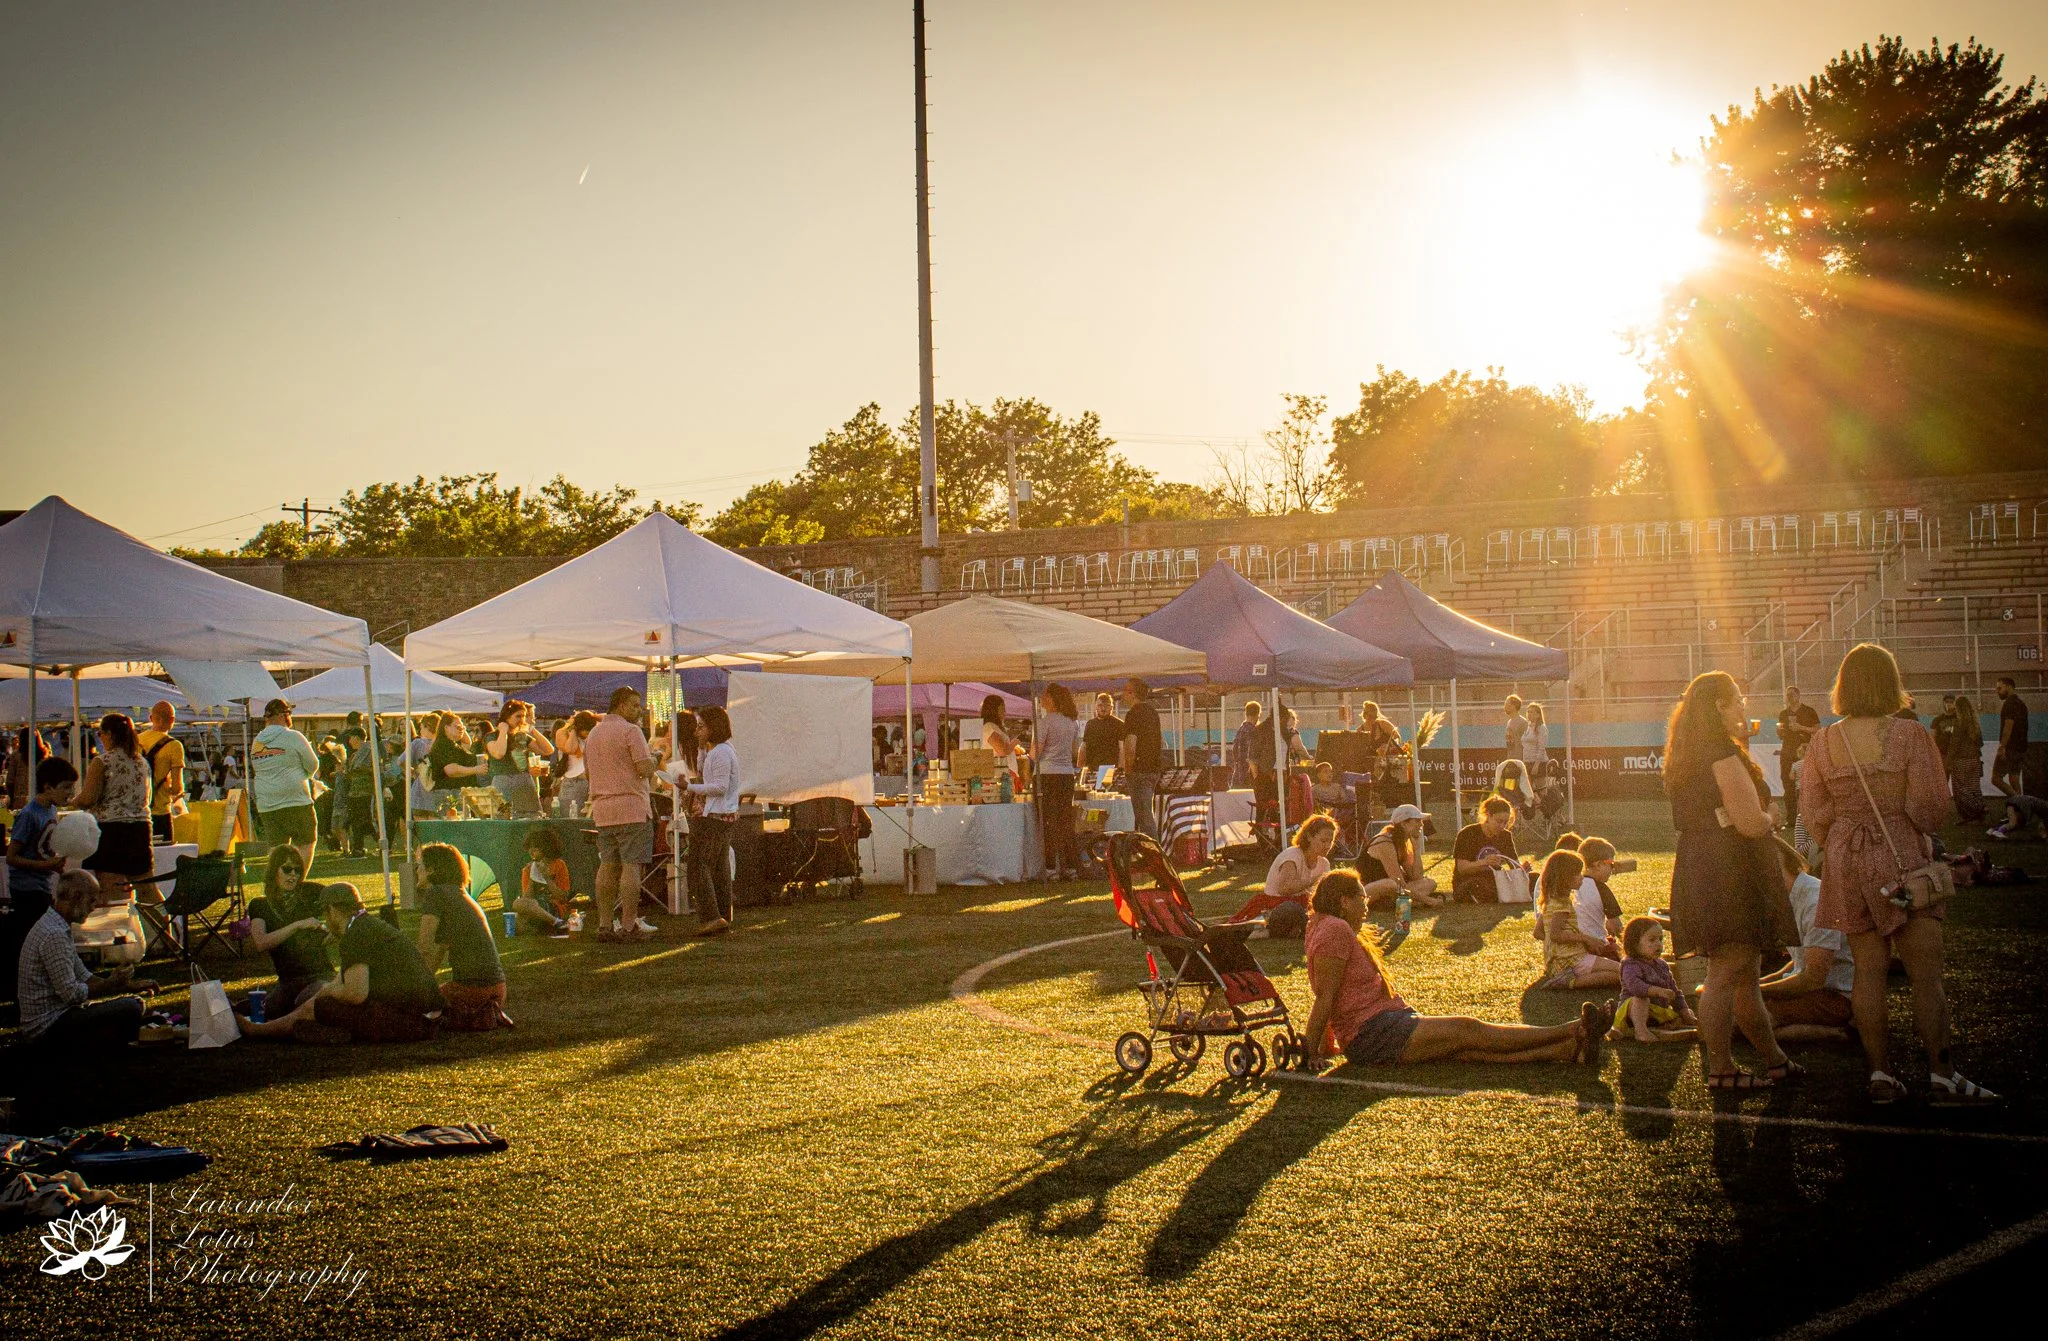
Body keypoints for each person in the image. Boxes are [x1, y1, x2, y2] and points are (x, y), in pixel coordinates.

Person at [1801, 643, 1997, 1105]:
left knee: (1867, 972)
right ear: (1891, 683)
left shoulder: (1821, 742)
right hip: (1900, 854)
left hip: (1846, 859)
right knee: (1925, 974)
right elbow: (1928, 810)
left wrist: (1846, 835)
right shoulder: (1911, 736)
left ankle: (1881, 1076)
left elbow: (1814, 814)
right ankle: (1942, 1076)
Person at [1301, 870, 1599, 1068]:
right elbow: (1325, 995)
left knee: (1466, 1049)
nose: (1367, 904)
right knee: (1468, 1029)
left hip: (1384, 1024)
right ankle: (1572, 1028)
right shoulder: (1334, 929)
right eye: (1361, 898)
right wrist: (1311, 1052)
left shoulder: (1328, 926)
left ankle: (1568, 1049)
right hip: (1373, 1034)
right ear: (1343, 902)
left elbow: (1331, 992)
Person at [1665, 670, 1798, 1092]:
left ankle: (1775, 1060)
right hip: (1731, 868)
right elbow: (1748, 822)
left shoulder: (1688, 752)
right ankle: (1720, 1069)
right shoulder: (1720, 753)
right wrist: (1772, 817)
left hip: (1706, 862)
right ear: (1719, 706)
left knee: (1744, 972)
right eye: (1737, 699)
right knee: (1728, 970)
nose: (1743, 705)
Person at [238, 883, 440, 1044]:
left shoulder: (356, 935)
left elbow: (355, 993)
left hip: (413, 1021)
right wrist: (324, 994)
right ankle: (302, 1028)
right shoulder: (368, 926)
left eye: (326, 913)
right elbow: (340, 981)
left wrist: (326, 995)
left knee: (325, 1007)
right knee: (319, 1003)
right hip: (425, 1015)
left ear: (332, 910)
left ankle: (261, 1031)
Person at [16, 871, 148, 1048]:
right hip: (48, 1026)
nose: (95, 907)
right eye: (92, 900)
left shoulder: (58, 926)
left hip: (57, 1018)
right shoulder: (53, 935)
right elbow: (71, 994)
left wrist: (126, 985)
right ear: (77, 897)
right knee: (130, 1007)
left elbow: (83, 975)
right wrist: (110, 983)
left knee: (132, 1003)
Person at [1758, 837, 1855, 1044]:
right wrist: (1759, 984)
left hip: (1833, 997)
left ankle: (1834, 1032)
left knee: (1745, 1020)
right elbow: (1800, 961)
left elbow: (1813, 977)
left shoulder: (1816, 900)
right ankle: (1828, 1032)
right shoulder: (1790, 896)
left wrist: (1757, 991)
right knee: (1743, 1015)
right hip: (1813, 992)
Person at [585, 686, 659, 943]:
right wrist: (656, 759)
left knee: (607, 866)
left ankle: (605, 924)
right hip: (631, 807)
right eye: (635, 706)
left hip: (603, 809)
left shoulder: (594, 733)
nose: (640, 711)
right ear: (621, 706)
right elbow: (644, 768)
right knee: (631, 867)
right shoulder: (631, 731)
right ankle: (628, 924)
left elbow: (588, 774)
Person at [415, 843, 512, 1030]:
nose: (417, 870)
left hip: (471, 991)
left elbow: (425, 949)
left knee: (408, 1008)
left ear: (432, 870)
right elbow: (437, 953)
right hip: (497, 991)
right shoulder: (460, 896)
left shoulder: (436, 894)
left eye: (420, 865)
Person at [5, 757, 78, 1001]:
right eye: (66, 787)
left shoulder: (51, 810)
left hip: (43, 885)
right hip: (26, 889)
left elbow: (44, 846)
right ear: (48, 787)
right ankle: (23, 997)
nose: (70, 793)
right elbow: (12, 857)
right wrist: (45, 865)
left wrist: (56, 867)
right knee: (30, 943)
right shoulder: (29, 814)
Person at [70, 713, 152, 905]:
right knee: (147, 888)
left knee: (112, 890)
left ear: (109, 734)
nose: (99, 738)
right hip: (140, 829)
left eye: (100, 733)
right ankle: (165, 930)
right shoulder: (142, 762)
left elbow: (89, 798)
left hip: (111, 831)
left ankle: (120, 933)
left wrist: (73, 801)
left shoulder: (102, 762)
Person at [244, 845, 335, 1011]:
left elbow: (343, 911)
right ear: (274, 871)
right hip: (288, 981)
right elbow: (261, 942)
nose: (293, 874)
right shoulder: (260, 905)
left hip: (320, 976)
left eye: (297, 870)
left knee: (304, 1002)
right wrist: (297, 925)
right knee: (270, 1010)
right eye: (287, 869)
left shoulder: (311, 893)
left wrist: (331, 932)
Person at [685, 705, 740, 936]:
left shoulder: (721, 753)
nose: (697, 731)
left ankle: (711, 915)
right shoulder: (719, 751)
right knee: (718, 867)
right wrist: (700, 750)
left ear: (713, 727)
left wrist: (688, 787)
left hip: (715, 815)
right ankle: (722, 915)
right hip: (721, 815)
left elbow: (719, 787)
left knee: (699, 865)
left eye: (701, 727)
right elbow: (708, 773)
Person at [249, 698, 321, 867]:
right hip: (295, 799)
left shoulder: (257, 742)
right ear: (283, 715)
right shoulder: (293, 736)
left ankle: (279, 884)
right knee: (306, 841)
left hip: (267, 802)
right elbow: (313, 764)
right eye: (289, 713)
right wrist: (304, 775)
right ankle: (298, 881)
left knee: (277, 847)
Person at [1536, 848, 1621, 990]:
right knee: (1622, 972)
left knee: (1615, 971)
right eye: (1577, 874)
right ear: (1565, 878)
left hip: (1556, 963)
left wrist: (1558, 949)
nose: (1582, 877)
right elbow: (1556, 935)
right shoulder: (1562, 904)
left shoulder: (1551, 900)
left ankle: (1567, 977)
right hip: (1572, 960)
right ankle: (1569, 982)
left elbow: (1538, 932)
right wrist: (1586, 939)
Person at [1612, 917, 1697, 1043]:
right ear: (1634, 943)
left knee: (1679, 1016)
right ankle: (1640, 1031)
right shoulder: (1630, 964)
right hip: (1632, 1012)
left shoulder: (1662, 965)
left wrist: (1684, 1011)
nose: (1658, 944)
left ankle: (1668, 1024)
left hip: (1655, 1012)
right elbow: (1635, 986)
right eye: (1652, 940)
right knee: (1641, 999)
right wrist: (1657, 991)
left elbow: (1675, 992)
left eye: (1660, 939)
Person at [1034, 684, 1083, 881]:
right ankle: (1070, 866)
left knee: (1048, 821)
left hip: (1047, 774)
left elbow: (1035, 754)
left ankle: (1050, 867)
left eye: (1045, 696)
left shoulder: (1044, 723)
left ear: (1053, 699)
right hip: (1066, 774)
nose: (1041, 699)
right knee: (1065, 821)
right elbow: (1074, 751)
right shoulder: (1072, 722)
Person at [1358, 804, 1439, 908]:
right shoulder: (1384, 842)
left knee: (1430, 883)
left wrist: (1416, 849)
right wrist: (1429, 900)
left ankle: (1396, 902)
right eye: (1417, 821)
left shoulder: (1402, 841)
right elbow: (1398, 883)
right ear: (1404, 823)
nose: (1421, 825)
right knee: (1390, 884)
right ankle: (1406, 902)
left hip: (1393, 889)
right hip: (1367, 889)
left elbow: (1416, 877)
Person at [484, 700, 552, 819]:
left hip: (523, 781)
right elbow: (499, 753)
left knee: (532, 817)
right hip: (503, 780)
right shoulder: (492, 736)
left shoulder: (522, 737)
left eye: (524, 716)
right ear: (507, 716)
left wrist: (532, 730)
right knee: (502, 817)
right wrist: (503, 731)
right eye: (518, 716)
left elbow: (547, 750)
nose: (521, 720)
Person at [1450, 795, 1520, 903]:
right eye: (1498, 821)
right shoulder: (1468, 833)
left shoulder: (1505, 836)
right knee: (1479, 885)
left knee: (1535, 878)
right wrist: (1484, 862)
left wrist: (1522, 869)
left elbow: (1514, 865)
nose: (1502, 826)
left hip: (1494, 880)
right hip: (1469, 880)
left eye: (1505, 823)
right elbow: (1462, 868)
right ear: (1488, 816)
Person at [136, 700, 187, 844]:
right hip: (160, 812)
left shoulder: (136, 741)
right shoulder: (174, 746)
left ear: (151, 718)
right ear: (172, 721)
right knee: (165, 859)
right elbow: (177, 788)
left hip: (137, 811)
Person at [1120, 679, 1165, 841]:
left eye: (1125, 690)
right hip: (1153, 768)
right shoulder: (1153, 713)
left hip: (1139, 770)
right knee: (1145, 812)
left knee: (1143, 815)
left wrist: (1128, 770)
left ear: (1133, 694)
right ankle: (1145, 850)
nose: (1122, 694)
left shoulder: (1133, 714)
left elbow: (1130, 745)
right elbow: (1159, 741)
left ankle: (1154, 852)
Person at [516, 826, 576, 934]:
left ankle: (548, 924)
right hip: (534, 906)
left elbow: (563, 897)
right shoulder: (528, 869)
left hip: (553, 906)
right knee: (519, 903)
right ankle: (557, 923)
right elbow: (527, 898)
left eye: (535, 848)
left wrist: (546, 877)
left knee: (523, 912)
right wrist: (532, 877)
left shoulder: (559, 865)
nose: (531, 851)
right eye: (530, 847)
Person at [1776, 686, 1820, 831]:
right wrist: (1780, 732)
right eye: (1787, 695)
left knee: (1807, 784)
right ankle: (1791, 820)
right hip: (1787, 752)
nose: (1789, 697)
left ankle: (1809, 818)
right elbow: (1781, 734)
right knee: (1787, 784)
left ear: (1798, 695)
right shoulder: (1783, 713)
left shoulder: (1809, 711)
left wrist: (1801, 727)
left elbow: (1817, 729)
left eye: (1792, 694)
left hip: (1804, 752)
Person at [425, 712, 487, 809]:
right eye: (457, 727)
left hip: (455, 793)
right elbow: (451, 770)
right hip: (449, 794)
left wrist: (460, 727)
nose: (461, 730)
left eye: (463, 728)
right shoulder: (443, 745)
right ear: (446, 727)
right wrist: (475, 769)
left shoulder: (452, 743)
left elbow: (467, 743)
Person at [1946, 693, 1986, 822]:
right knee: (1974, 788)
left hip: (1961, 761)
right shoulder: (1975, 724)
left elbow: (1954, 744)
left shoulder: (1958, 724)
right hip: (1974, 759)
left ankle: (1968, 815)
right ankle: (1979, 812)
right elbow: (1980, 743)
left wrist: (1948, 761)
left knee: (1961, 790)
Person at [555, 710, 598, 817]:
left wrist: (595, 717)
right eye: (587, 732)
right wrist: (573, 731)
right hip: (572, 781)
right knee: (569, 817)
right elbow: (570, 749)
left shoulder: (594, 735)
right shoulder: (563, 733)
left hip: (590, 782)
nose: (588, 735)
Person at [1993, 677, 2030, 797]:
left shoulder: (2009, 704)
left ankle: (2018, 801)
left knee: (1996, 778)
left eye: (2000, 688)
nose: (1997, 691)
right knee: (2014, 778)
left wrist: (2002, 747)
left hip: (2010, 748)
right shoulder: (2021, 704)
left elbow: (2008, 726)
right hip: (2020, 749)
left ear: (2008, 687)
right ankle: (2022, 809)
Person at [980, 695, 1024, 777]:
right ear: (994, 710)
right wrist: (1014, 743)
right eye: (1002, 709)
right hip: (1001, 774)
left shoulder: (995, 727)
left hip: (1005, 772)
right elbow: (1002, 751)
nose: (1005, 712)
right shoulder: (989, 727)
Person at [1082, 693, 1123, 774]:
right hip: (1092, 768)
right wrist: (1081, 767)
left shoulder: (1119, 724)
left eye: (1107, 705)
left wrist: (1121, 769)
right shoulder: (1090, 724)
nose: (1103, 708)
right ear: (1096, 707)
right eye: (1100, 705)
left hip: (1111, 769)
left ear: (1112, 707)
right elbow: (1084, 747)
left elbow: (1122, 748)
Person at [1231, 701, 1264, 787]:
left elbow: (1235, 753)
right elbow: (1252, 757)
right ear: (1257, 714)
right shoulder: (1254, 732)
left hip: (1237, 775)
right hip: (1249, 777)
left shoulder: (1240, 730)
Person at [1521, 702, 1550, 771]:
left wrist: (1536, 765)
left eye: (1531, 712)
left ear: (1538, 715)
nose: (1529, 714)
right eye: (1528, 712)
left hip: (1539, 763)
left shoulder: (1541, 727)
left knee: (1539, 782)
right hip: (1527, 762)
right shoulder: (1527, 727)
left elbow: (1541, 748)